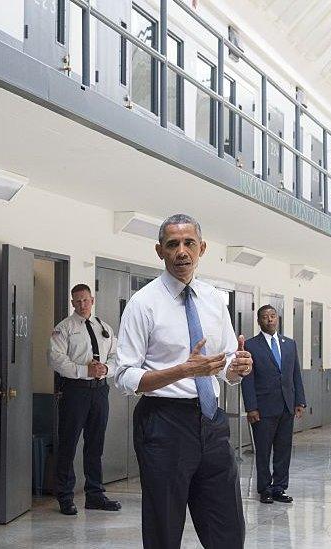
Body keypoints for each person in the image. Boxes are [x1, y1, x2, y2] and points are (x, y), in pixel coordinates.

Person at [115, 214, 252, 549]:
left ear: (201, 248)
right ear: (159, 251)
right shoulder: (143, 304)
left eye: (189, 243)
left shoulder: (213, 300)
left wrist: (237, 368)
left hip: (211, 423)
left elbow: (223, 362)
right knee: (164, 527)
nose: (181, 251)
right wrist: (182, 371)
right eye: (172, 244)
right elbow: (124, 376)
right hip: (163, 424)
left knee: (228, 528)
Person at [48, 284, 122, 515]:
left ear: (92, 300)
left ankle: (95, 495)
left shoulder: (104, 327)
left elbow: (116, 357)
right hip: (75, 391)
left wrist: (105, 369)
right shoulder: (64, 329)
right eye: (77, 301)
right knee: (68, 444)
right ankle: (65, 497)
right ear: (72, 303)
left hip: (99, 391)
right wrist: (84, 371)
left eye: (85, 300)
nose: (82, 304)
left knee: (95, 445)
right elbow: (56, 360)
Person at [241, 304, 306, 504]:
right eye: (265, 317)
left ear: (277, 319)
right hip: (263, 408)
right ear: (259, 321)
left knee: (284, 449)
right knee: (263, 450)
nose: (270, 320)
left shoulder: (289, 344)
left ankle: (279, 487)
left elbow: (295, 374)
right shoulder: (251, 346)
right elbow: (247, 379)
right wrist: (251, 407)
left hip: (287, 406)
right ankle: (265, 489)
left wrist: (299, 401)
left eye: (273, 316)